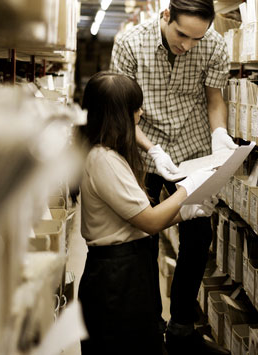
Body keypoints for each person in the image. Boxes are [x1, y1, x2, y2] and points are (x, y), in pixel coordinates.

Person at [110, 0, 236, 353]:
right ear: (166, 15)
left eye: (197, 38)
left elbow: (215, 100)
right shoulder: (130, 44)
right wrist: (153, 149)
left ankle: (182, 323)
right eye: (182, 35)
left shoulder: (213, 46)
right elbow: (121, 114)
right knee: (143, 236)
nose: (188, 46)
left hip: (194, 145)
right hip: (146, 147)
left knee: (198, 235)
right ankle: (151, 320)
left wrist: (220, 134)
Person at [77, 71, 218, 355]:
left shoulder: (107, 154)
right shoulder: (103, 160)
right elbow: (150, 221)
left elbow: (138, 218)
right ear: (120, 114)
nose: (141, 113)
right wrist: (188, 189)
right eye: (136, 107)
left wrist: (186, 212)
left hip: (126, 270)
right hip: (115, 279)